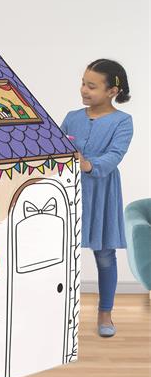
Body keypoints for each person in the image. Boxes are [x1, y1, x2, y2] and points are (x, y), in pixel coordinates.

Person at [61, 59, 133, 337]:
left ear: (112, 91)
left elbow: (115, 155)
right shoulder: (72, 117)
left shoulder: (122, 122)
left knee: (104, 255)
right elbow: (58, 147)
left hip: (102, 193)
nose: (84, 90)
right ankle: (60, 311)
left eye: (92, 86)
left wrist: (89, 164)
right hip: (71, 191)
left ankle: (105, 312)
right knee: (62, 253)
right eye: (83, 83)